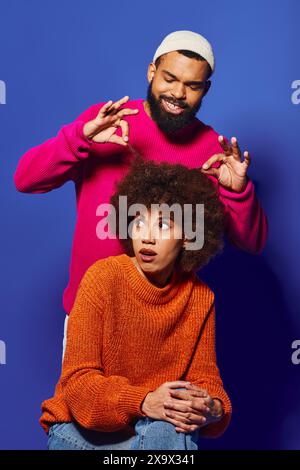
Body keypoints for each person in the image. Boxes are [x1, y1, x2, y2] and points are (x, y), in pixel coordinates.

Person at [14, 30, 268, 330]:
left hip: (166, 323)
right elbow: (26, 179)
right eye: (169, 78)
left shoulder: (214, 150)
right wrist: (79, 138)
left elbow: (252, 242)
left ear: (205, 90)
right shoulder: (107, 122)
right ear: (152, 72)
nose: (177, 94)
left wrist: (237, 191)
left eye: (192, 86)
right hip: (91, 313)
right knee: (82, 380)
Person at [41, 156, 231, 450]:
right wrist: (144, 400)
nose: (147, 238)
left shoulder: (199, 296)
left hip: (155, 432)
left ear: (189, 236)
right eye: (139, 222)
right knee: (168, 426)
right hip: (82, 434)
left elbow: (205, 379)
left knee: (171, 426)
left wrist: (211, 407)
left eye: (163, 226)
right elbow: (77, 386)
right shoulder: (103, 278)